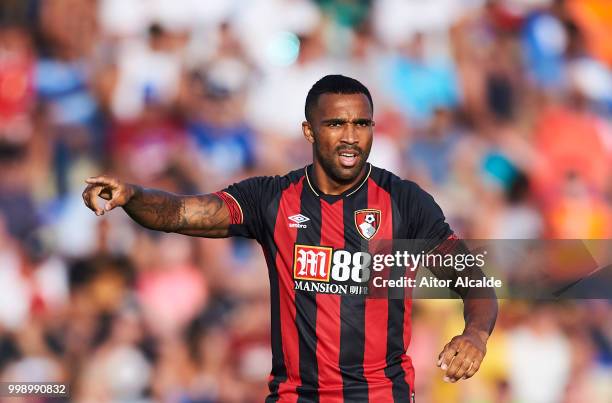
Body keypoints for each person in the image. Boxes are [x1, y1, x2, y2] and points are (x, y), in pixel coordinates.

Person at [82, 75, 497, 402]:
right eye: (336, 123)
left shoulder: (405, 202)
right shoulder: (271, 199)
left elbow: (472, 280)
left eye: (361, 123)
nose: (351, 136)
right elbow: (180, 212)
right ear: (309, 131)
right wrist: (133, 196)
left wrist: (474, 335)